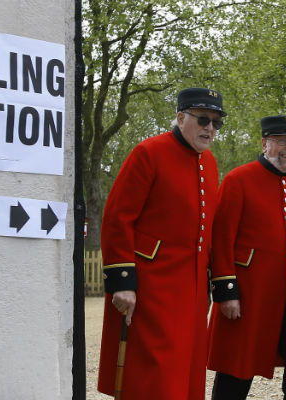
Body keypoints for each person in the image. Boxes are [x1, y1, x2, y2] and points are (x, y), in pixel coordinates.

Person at [96, 87, 225, 399]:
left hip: (193, 290)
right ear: (180, 118)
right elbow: (117, 218)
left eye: (216, 122)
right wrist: (123, 282)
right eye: (203, 119)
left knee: (187, 371)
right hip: (152, 287)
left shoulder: (209, 163)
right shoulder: (148, 153)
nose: (210, 128)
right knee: (155, 374)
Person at [207, 115, 286, 400]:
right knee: (237, 368)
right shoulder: (238, 179)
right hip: (251, 294)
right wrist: (226, 291)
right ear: (264, 144)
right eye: (282, 141)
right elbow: (221, 239)